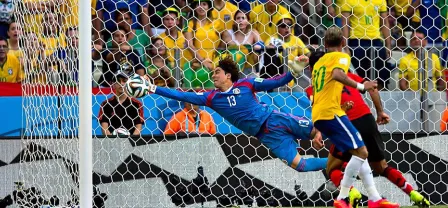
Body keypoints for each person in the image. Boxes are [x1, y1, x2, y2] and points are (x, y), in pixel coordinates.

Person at [139, 56, 328, 173]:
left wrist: (292, 72)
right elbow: (181, 94)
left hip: (275, 119)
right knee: (301, 166)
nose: (213, 76)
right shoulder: (211, 98)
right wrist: (153, 88)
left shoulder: (247, 84)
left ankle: (352, 150)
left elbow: (274, 82)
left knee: (322, 130)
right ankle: (340, 164)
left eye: (217, 72)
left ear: (228, 75)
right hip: (267, 136)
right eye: (213, 73)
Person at [306, 50, 430, 208]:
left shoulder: (313, 87)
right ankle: (412, 193)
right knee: (381, 166)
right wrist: (380, 111)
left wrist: (318, 133)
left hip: (346, 123)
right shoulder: (349, 76)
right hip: (367, 119)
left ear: (311, 69)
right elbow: (372, 88)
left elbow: (322, 110)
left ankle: (349, 193)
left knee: (332, 167)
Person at [310, 26, 398, 208]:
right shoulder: (341, 57)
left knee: (359, 152)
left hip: (320, 114)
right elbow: (337, 74)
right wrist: (361, 87)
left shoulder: (319, 63)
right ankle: (343, 197)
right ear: (343, 43)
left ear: (325, 44)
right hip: (332, 112)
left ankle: (375, 199)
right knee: (362, 153)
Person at [341, 0, 391, 90]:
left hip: (375, 39)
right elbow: (345, 24)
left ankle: (378, 99)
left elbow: (384, 23)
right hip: (357, 40)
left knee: (381, 75)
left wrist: (388, 45)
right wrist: (346, 46)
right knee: (360, 76)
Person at [98, 71, 144, 136]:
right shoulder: (105, 104)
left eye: (124, 81)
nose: (121, 84)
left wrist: (130, 140)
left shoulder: (136, 104)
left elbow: (138, 127)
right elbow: (104, 128)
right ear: (113, 84)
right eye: (118, 81)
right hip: (111, 142)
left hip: (131, 142)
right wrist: (112, 141)